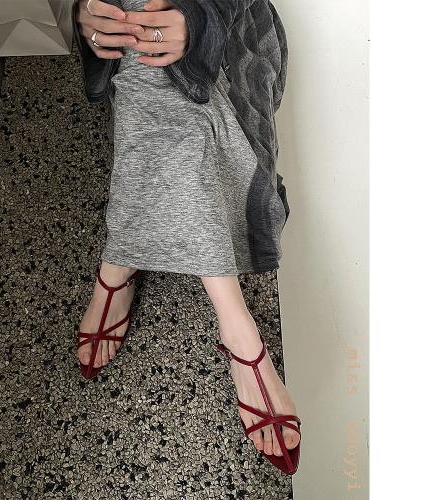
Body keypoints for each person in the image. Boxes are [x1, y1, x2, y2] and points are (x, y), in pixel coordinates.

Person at [73, 0, 301, 475]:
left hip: (230, 23)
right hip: (131, 36)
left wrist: (201, 20)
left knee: (164, 94)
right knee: (149, 69)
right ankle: (237, 330)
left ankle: (119, 266)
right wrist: (85, 9)